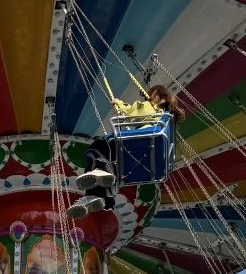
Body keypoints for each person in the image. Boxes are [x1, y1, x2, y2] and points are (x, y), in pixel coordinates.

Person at [67, 85, 184, 219]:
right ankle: (98, 196)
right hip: (151, 157)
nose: (148, 99)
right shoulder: (168, 118)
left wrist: (119, 104)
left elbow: (133, 114)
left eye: (151, 96)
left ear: (158, 97)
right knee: (112, 167)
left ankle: (99, 172)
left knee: (98, 146)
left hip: (143, 140)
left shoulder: (152, 107)